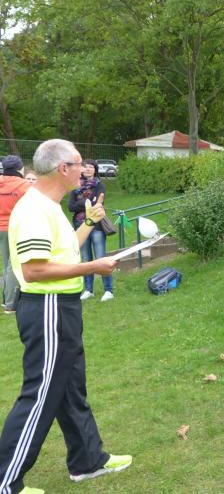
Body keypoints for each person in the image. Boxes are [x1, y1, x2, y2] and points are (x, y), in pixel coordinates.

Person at [0, 139, 131, 494]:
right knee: (40, 393)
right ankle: (4, 481)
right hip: (47, 308)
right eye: (78, 164)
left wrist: (89, 222)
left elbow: (64, 251)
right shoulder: (34, 210)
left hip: (62, 307)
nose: (84, 171)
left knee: (71, 389)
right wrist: (94, 266)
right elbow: (35, 271)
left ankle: (88, 461)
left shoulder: (49, 206)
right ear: (62, 169)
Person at [68, 160, 113, 302]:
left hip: (97, 226)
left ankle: (108, 290)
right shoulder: (75, 185)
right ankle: (88, 290)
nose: (87, 169)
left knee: (101, 257)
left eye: (91, 167)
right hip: (80, 225)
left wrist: (81, 203)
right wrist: (87, 203)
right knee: (86, 258)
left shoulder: (99, 185)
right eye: (85, 167)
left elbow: (98, 204)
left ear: (95, 170)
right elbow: (70, 206)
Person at [0, 156, 29, 313]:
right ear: (19, 168)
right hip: (16, 228)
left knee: (6, 265)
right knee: (14, 265)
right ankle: (11, 304)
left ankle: (6, 299)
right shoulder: (25, 186)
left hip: (1, 229)